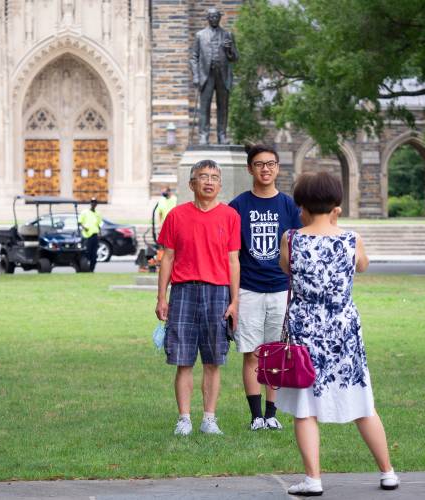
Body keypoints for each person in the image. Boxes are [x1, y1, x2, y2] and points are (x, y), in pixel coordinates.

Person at [277, 172, 399, 496]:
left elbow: (285, 268)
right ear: (336, 204)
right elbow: (363, 265)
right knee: (362, 402)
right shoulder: (351, 238)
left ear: (300, 204)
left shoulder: (292, 238)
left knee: (305, 407)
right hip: (343, 328)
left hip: (306, 329)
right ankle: (388, 472)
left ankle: (313, 479)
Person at [156, 159, 241, 436]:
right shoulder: (176, 216)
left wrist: (234, 300)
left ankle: (209, 418)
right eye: (202, 177)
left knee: (214, 360)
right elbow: (167, 258)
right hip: (183, 292)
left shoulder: (230, 217)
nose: (208, 182)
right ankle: (184, 418)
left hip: (217, 292)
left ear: (219, 184)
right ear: (191, 184)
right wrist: (162, 297)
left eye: (214, 177)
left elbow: (233, 261)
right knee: (183, 359)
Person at [229, 144, 302, 431]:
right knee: (252, 353)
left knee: (275, 353)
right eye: (259, 164)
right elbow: (232, 254)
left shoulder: (288, 205)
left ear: (278, 168)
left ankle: (272, 415)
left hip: (280, 289)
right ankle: (255, 416)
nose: (265, 169)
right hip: (249, 288)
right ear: (250, 168)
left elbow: (296, 249)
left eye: (271, 164)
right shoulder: (238, 206)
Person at [190, 7, 239, 144]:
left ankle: (222, 135)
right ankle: (203, 136)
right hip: (206, 74)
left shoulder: (227, 35)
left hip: (223, 75)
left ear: (219, 17)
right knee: (204, 107)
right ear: (207, 18)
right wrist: (196, 76)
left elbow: (235, 57)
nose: (214, 19)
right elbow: (194, 57)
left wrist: (229, 50)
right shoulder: (200, 35)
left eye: (216, 16)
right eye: (211, 17)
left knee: (223, 107)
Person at [79, 197, 102, 272]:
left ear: (96, 204)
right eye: (92, 202)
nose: (93, 204)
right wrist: (84, 227)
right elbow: (80, 222)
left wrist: (100, 233)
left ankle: (91, 269)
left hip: (95, 235)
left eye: (95, 202)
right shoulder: (85, 212)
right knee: (86, 253)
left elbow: (99, 224)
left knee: (94, 254)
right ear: (90, 203)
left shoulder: (97, 214)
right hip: (87, 236)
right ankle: (84, 267)